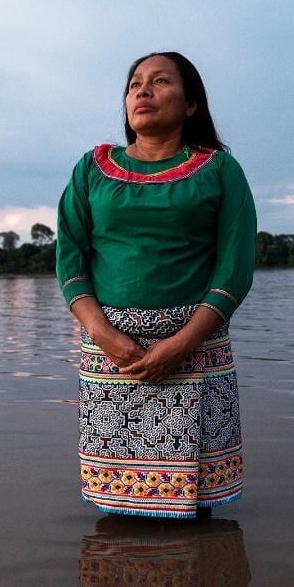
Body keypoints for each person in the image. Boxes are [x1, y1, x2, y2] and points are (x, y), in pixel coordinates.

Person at [56, 51, 257, 519]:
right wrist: (106, 336)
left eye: (160, 81)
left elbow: (235, 269)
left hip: (195, 349)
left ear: (190, 105)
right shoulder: (92, 168)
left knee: (195, 506)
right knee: (118, 500)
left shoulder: (220, 171)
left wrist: (182, 343)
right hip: (111, 352)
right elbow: (70, 259)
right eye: (134, 84)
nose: (142, 91)